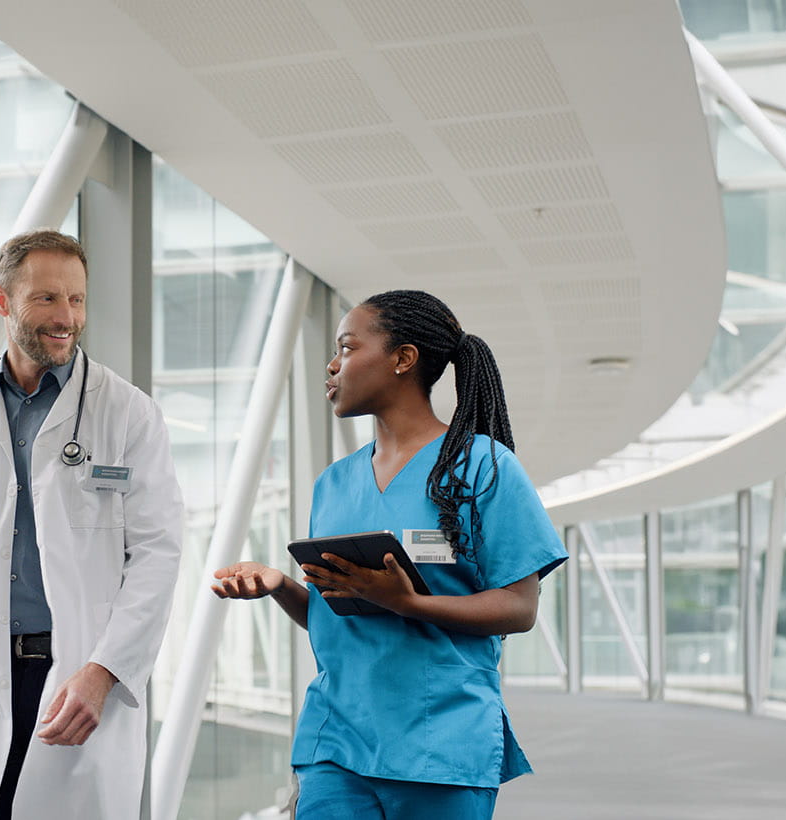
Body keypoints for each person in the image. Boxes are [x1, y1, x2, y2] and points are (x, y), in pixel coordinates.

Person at [212, 290, 566, 820]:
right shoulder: (334, 483)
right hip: (336, 744)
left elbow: (520, 608)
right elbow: (340, 615)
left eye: (348, 348)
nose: (332, 365)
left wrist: (409, 603)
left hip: (438, 744)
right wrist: (280, 584)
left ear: (403, 358)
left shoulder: (485, 467)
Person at [0, 230, 185, 820]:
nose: (66, 317)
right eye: (46, 298)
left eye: (76, 299)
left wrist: (104, 671)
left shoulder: (127, 413)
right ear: (3, 302)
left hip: (77, 675)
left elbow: (158, 555)